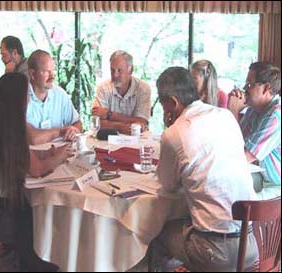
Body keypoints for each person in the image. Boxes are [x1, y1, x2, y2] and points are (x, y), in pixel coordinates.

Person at [150, 67, 258, 272]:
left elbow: (168, 185)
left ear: (172, 102)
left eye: (162, 103)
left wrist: (170, 128)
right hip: (251, 243)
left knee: (157, 235)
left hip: (215, 252)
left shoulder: (175, 133)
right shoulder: (225, 116)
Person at [0, 72, 72, 271]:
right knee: (40, 226)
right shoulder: (12, 128)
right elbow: (37, 170)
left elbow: (24, 158)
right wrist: (60, 157)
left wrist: (49, 153)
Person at [228, 62, 281, 200]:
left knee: (232, 202)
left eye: (250, 84)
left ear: (266, 88)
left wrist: (233, 112)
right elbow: (235, 144)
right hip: (260, 178)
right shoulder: (254, 109)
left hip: (275, 186)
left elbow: (244, 156)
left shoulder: (276, 116)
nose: (244, 88)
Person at [27, 49, 82, 144]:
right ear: (32, 74)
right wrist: (61, 131)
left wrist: (73, 131)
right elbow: (32, 138)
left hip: (60, 153)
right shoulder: (21, 98)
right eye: (46, 72)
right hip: (32, 157)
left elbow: (77, 123)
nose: (52, 77)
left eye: (53, 71)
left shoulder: (60, 94)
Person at [92, 50, 151, 134]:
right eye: (112, 70)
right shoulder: (103, 88)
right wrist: (122, 127)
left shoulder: (143, 89)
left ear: (130, 70)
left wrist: (109, 115)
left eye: (119, 70)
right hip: (109, 140)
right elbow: (98, 122)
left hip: (137, 139)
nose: (115, 75)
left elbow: (142, 122)